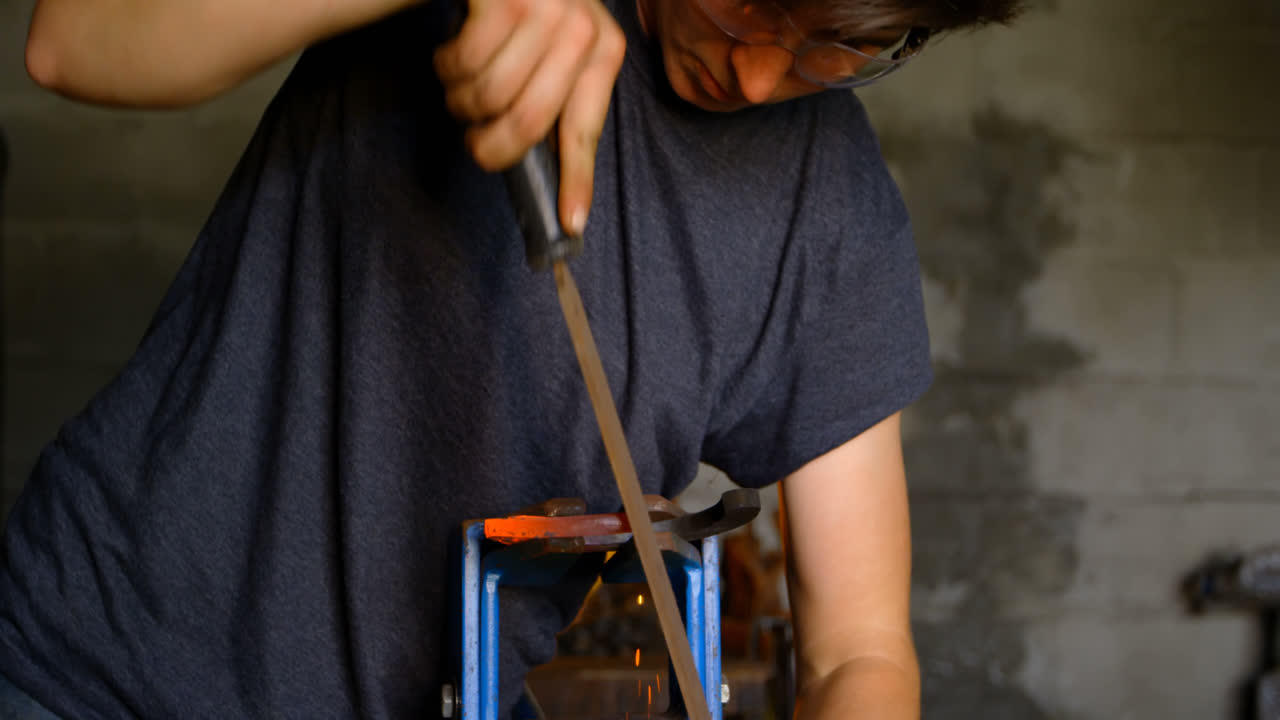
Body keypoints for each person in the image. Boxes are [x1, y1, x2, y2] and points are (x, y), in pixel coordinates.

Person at [8, 0, 1021, 717]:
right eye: (751, 2)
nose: (757, 73)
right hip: (97, 673)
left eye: (841, 44)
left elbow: (860, 653)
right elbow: (74, 40)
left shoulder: (828, 206)